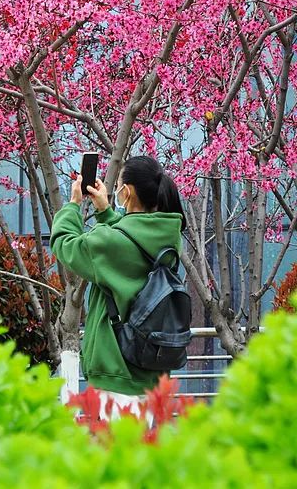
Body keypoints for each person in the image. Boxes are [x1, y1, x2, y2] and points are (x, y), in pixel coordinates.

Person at [50, 155, 187, 420]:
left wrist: (73, 204)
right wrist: (106, 213)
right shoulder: (169, 235)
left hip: (117, 381)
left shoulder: (113, 243)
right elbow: (128, 242)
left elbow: (64, 244)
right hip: (151, 375)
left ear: (128, 191)